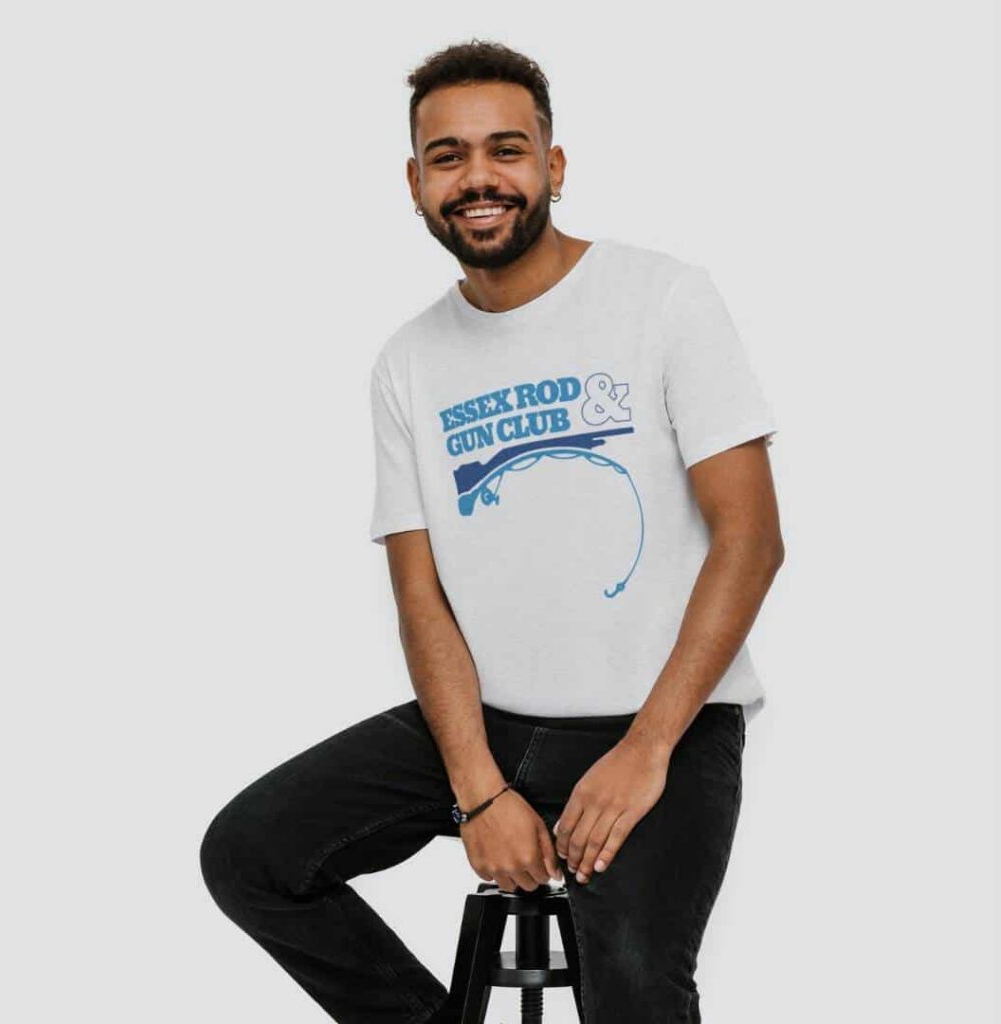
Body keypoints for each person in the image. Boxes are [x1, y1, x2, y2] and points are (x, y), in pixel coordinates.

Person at [200, 38, 785, 1024]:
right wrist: (477, 788)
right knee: (252, 855)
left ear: (552, 166)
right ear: (416, 181)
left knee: (634, 992)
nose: (478, 177)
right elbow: (419, 593)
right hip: (490, 726)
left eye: (505, 150)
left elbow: (749, 538)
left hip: (667, 729)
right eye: (448, 156)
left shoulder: (664, 297)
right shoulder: (408, 361)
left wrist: (645, 748)